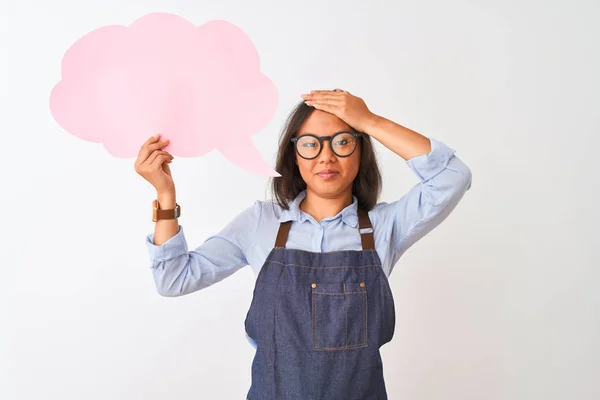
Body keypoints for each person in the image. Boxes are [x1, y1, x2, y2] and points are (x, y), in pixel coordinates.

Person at [134, 89, 472, 399]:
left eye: (342, 141)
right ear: (294, 154)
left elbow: (452, 176)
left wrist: (369, 121)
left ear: (360, 151)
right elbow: (173, 279)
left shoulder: (385, 227)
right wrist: (165, 196)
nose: (326, 157)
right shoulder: (260, 223)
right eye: (311, 144)